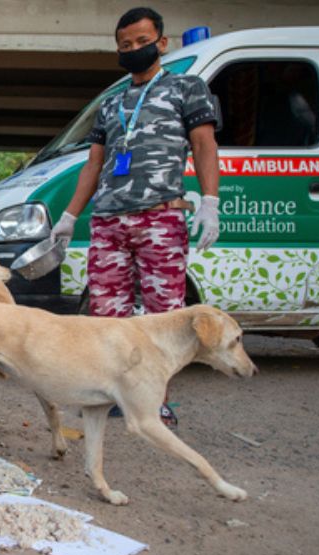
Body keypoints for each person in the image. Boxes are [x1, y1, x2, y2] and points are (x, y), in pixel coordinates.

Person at [49, 6, 220, 428]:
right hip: (108, 222)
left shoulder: (187, 88)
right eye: (125, 45)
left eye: (143, 42)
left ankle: (156, 402)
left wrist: (211, 201)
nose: (134, 50)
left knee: (164, 316)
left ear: (162, 43)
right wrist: (70, 216)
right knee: (107, 318)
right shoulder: (111, 104)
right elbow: (93, 164)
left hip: (160, 218)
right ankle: (112, 397)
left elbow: (204, 145)